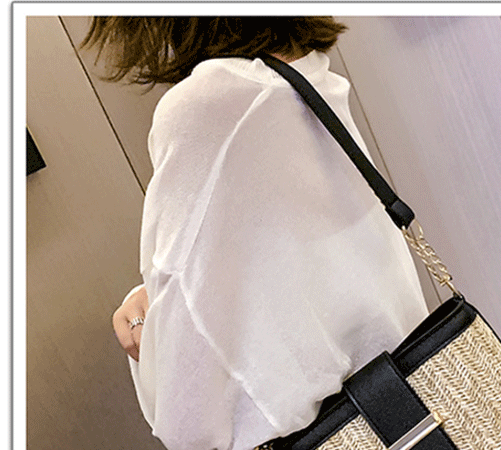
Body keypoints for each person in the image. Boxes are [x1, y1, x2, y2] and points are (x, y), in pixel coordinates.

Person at [83, 17, 429, 450]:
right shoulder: (304, 70)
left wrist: (146, 321)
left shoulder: (208, 105)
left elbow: (186, 406)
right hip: (414, 401)